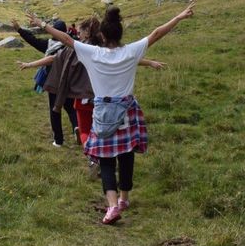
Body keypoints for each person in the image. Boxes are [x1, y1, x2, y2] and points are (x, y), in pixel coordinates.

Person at [28, 3, 194, 225]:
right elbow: (156, 33)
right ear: (120, 33)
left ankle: (113, 205)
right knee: (127, 155)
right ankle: (125, 199)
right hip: (127, 111)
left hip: (103, 113)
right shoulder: (132, 51)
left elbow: (66, 40)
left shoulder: (92, 53)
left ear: (102, 35)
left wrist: (41, 24)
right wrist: (179, 16)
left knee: (105, 161)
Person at [18, 17, 165, 171]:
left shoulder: (83, 49)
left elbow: (55, 56)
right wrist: (149, 62)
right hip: (109, 101)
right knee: (109, 130)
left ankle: (94, 159)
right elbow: (127, 58)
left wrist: (31, 63)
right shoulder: (106, 48)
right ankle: (112, 158)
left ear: (87, 32)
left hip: (84, 99)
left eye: (80, 31)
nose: (79, 35)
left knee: (86, 130)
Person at [12, 17, 78, 147]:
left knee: (54, 111)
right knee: (71, 108)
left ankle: (58, 141)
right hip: (69, 82)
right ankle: (77, 127)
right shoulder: (72, 44)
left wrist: (19, 29)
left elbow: (32, 40)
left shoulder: (48, 45)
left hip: (53, 84)